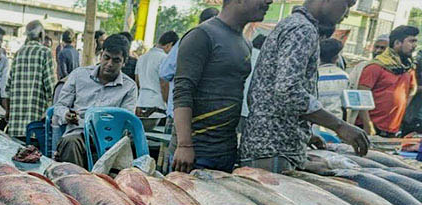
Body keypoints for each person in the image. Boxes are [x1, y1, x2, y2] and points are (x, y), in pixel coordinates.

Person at [240, 0, 369, 173]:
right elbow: (288, 91)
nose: (346, 14)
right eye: (347, 6)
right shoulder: (303, 30)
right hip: (274, 150)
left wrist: (303, 132)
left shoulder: (294, 24)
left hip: (272, 146)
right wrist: (340, 126)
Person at [170, 0, 272, 174]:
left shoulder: (245, 43)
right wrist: (184, 144)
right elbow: (182, 91)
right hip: (195, 153)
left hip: (225, 152)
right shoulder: (202, 35)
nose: (269, 2)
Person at [53, 34, 138, 168]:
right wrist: (66, 115)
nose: (109, 64)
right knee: (70, 143)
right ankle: (76, 185)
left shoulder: (129, 87)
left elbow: (126, 120)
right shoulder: (79, 75)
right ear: (101, 55)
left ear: (124, 62)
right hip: (78, 134)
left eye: (116, 60)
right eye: (106, 57)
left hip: (110, 139)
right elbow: (59, 106)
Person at [357, 26, 418, 137]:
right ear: (397, 43)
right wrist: (368, 124)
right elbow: (362, 95)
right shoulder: (376, 66)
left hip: (392, 129)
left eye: (415, 41)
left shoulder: (408, 67)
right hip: (371, 128)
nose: (414, 46)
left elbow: (413, 89)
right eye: (411, 41)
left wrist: (401, 109)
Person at [6, 20, 56, 140]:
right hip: (35, 125)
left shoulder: (18, 53)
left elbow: (8, 88)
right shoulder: (45, 52)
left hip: (15, 126)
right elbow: (51, 87)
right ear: (41, 35)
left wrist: (8, 112)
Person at [135, 30, 177, 117]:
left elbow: (137, 81)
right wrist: (168, 104)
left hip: (141, 103)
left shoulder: (142, 58)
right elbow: (164, 84)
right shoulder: (165, 58)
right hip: (158, 106)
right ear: (169, 45)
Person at [317, 38, 349, 120]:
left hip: (315, 121)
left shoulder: (314, 76)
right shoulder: (345, 77)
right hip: (336, 122)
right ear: (336, 57)